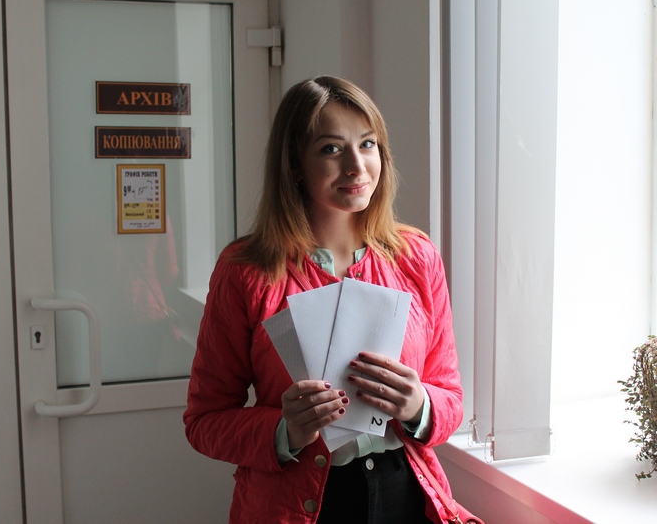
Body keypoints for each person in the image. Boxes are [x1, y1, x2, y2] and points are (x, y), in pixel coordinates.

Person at [184, 76, 463, 523]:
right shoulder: (246, 271)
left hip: (404, 492)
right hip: (299, 503)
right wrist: (286, 430)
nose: (356, 166)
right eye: (331, 149)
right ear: (295, 164)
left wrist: (419, 406)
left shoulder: (417, 256)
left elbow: (450, 397)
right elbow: (205, 421)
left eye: (367, 144)